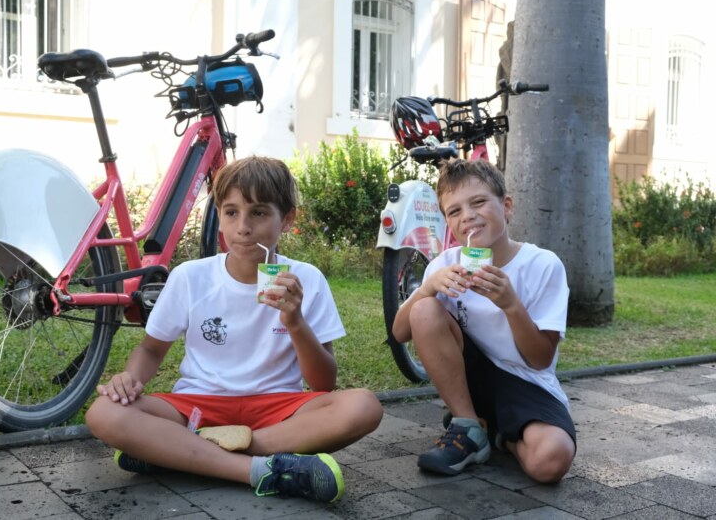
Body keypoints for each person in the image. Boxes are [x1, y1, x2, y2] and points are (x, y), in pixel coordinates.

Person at [86, 155, 383, 503]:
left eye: (258, 212)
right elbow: (151, 349)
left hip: (277, 410)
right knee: (104, 412)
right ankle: (258, 470)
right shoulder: (191, 277)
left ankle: (176, 452)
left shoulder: (308, 280)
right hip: (197, 405)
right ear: (220, 217)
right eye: (231, 212)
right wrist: (129, 379)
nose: (243, 227)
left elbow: (323, 384)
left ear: (287, 219)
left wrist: (295, 322)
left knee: (364, 406)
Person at [391, 158, 576, 483]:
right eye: (455, 211)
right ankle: (467, 425)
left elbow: (539, 359)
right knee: (424, 309)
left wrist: (511, 305)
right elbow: (400, 331)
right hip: (469, 380)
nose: (468, 216)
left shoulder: (543, 265)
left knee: (551, 461)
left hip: (525, 381)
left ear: (506, 207)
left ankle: (496, 436)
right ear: (448, 222)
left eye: (478, 202)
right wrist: (427, 289)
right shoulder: (445, 265)